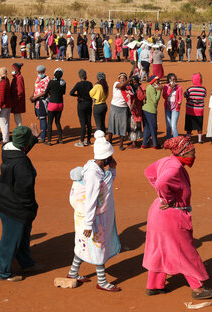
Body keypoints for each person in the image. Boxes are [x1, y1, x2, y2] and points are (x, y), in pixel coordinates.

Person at [143, 136, 212, 300]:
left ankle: (154, 286)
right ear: (184, 151)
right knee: (185, 251)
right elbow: (162, 182)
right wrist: (168, 199)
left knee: (159, 249)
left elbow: (149, 172)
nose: (194, 154)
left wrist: (161, 197)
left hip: (157, 213)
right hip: (171, 215)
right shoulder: (175, 168)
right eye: (192, 151)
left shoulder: (166, 161)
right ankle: (198, 288)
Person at [66, 130, 121, 292]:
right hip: (93, 218)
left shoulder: (95, 166)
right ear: (105, 157)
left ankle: (73, 272)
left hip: (93, 217)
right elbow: (91, 200)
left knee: (84, 244)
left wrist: (113, 169)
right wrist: (89, 224)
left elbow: (108, 184)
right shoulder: (93, 175)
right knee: (98, 246)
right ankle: (102, 281)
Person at [0, 125, 41, 282]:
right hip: (12, 205)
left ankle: (26, 263)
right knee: (10, 238)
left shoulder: (7, 149)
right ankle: (3, 273)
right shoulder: (22, 166)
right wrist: (30, 209)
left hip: (2, 195)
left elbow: (21, 150)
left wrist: (32, 139)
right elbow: (24, 192)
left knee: (23, 233)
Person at [70, 69, 94, 147]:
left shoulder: (78, 84)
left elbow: (71, 93)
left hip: (81, 104)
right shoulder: (90, 84)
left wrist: (78, 96)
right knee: (89, 122)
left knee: (83, 123)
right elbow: (92, 93)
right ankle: (89, 140)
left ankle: (82, 141)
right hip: (89, 103)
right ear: (86, 76)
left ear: (79, 76)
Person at [107, 72, 130, 150]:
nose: (122, 79)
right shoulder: (116, 84)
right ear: (118, 79)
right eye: (121, 78)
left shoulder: (128, 88)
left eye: (124, 78)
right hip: (114, 107)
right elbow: (121, 85)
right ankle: (109, 142)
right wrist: (129, 79)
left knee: (123, 127)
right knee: (111, 126)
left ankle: (121, 145)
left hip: (123, 108)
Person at [45, 68, 66, 145]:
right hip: (60, 104)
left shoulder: (51, 82)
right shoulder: (63, 83)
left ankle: (49, 141)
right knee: (58, 122)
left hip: (52, 104)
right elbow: (63, 92)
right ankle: (60, 139)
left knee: (50, 123)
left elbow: (46, 92)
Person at [184, 73, 206, 143]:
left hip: (190, 110)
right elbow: (204, 95)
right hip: (199, 111)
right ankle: (199, 139)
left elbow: (185, 95)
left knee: (189, 125)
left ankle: (188, 138)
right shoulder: (203, 89)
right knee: (199, 125)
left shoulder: (190, 89)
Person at [30, 65, 50, 143]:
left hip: (42, 101)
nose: (38, 73)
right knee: (39, 117)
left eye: (40, 72)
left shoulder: (47, 79)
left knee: (43, 119)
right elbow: (35, 88)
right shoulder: (38, 78)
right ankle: (43, 133)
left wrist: (35, 97)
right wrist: (32, 96)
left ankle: (42, 137)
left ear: (43, 72)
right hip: (37, 101)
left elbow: (45, 92)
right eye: (38, 72)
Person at [142, 76, 162, 149]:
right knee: (153, 128)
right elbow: (155, 100)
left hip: (145, 110)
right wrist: (159, 91)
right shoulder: (152, 88)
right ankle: (155, 144)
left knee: (147, 127)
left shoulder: (149, 87)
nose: (158, 82)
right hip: (151, 111)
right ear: (153, 81)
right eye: (157, 81)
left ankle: (145, 144)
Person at [162, 73, 182, 139]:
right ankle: (168, 139)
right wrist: (170, 88)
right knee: (168, 126)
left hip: (175, 108)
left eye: (175, 79)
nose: (174, 81)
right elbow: (164, 96)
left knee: (173, 125)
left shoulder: (179, 88)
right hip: (167, 108)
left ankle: (176, 140)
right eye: (172, 79)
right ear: (169, 80)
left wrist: (179, 102)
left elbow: (180, 98)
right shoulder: (165, 87)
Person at [0, 67, 11, 144]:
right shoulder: (6, 80)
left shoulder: (2, 83)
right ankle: (5, 137)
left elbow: (1, 97)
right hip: (7, 105)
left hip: (4, 106)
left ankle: (5, 139)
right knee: (6, 122)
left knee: (3, 123)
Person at [9, 63, 25, 127]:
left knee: (17, 118)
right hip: (16, 101)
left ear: (16, 69)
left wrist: (15, 101)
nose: (11, 70)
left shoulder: (19, 78)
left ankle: (20, 132)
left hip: (17, 101)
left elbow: (20, 92)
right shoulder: (16, 77)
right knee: (17, 117)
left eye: (13, 69)